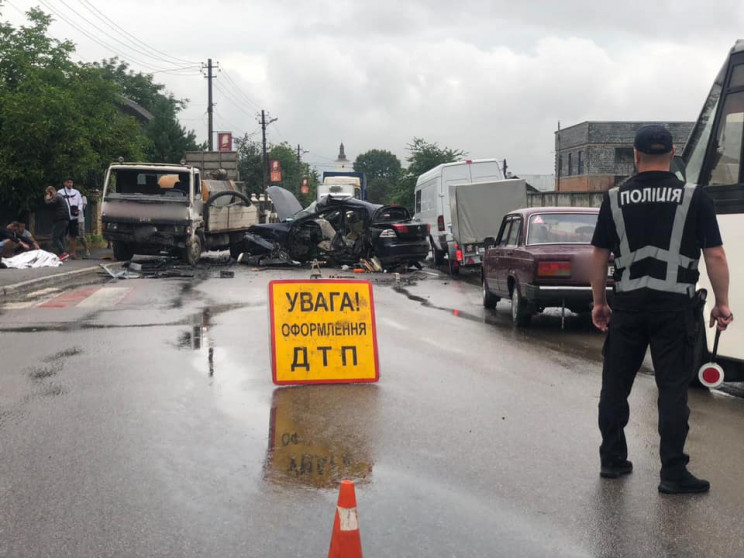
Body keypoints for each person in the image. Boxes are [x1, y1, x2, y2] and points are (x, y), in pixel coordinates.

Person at [589, 124, 732, 495]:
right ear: (671, 155)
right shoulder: (694, 197)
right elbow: (714, 254)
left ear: (636, 157)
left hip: (629, 306)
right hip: (675, 307)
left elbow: (599, 255)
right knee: (672, 390)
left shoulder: (615, 198)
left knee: (615, 384)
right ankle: (672, 472)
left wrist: (599, 302)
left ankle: (612, 460)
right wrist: (722, 303)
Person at [58, 178, 83, 259]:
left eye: (71, 182)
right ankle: (63, 253)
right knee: (62, 235)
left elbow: (80, 202)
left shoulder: (76, 192)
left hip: (73, 217)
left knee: (74, 236)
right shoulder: (60, 192)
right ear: (64, 183)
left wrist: (78, 210)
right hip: (64, 217)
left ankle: (73, 253)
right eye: (68, 182)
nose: (70, 184)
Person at [44, 185, 70, 261]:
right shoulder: (60, 196)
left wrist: (47, 198)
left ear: (50, 192)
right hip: (64, 219)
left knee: (54, 237)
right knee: (61, 237)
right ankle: (64, 255)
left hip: (60, 219)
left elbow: (49, 204)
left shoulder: (57, 196)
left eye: (48, 193)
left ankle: (63, 253)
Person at [77, 194, 91, 258]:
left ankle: (87, 251)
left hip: (80, 219)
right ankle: (72, 253)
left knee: (82, 237)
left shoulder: (83, 197)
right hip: (72, 219)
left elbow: (83, 207)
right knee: (72, 236)